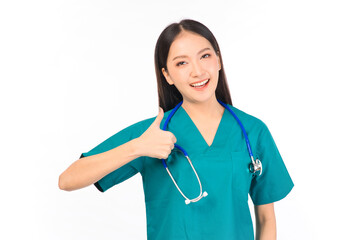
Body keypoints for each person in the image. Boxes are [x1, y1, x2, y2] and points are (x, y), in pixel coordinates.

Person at [59, 19, 294, 240]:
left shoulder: (253, 131)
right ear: (167, 75)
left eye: (205, 56)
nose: (197, 71)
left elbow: (265, 217)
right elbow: (67, 180)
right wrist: (137, 147)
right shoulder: (153, 133)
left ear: (219, 60)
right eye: (182, 63)